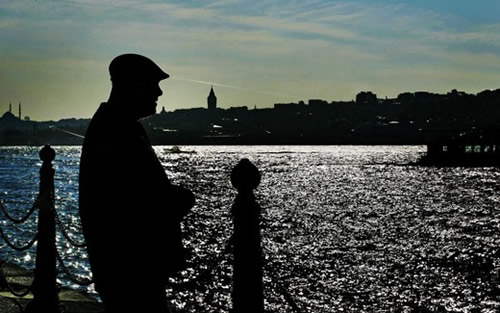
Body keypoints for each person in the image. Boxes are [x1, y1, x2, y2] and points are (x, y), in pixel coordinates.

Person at [79, 54, 194, 313]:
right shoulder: (118, 132)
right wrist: (181, 200)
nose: (159, 92)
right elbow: (135, 203)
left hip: (126, 265)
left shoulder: (116, 127)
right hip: (131, 266)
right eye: (152, 84)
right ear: (131, 86)